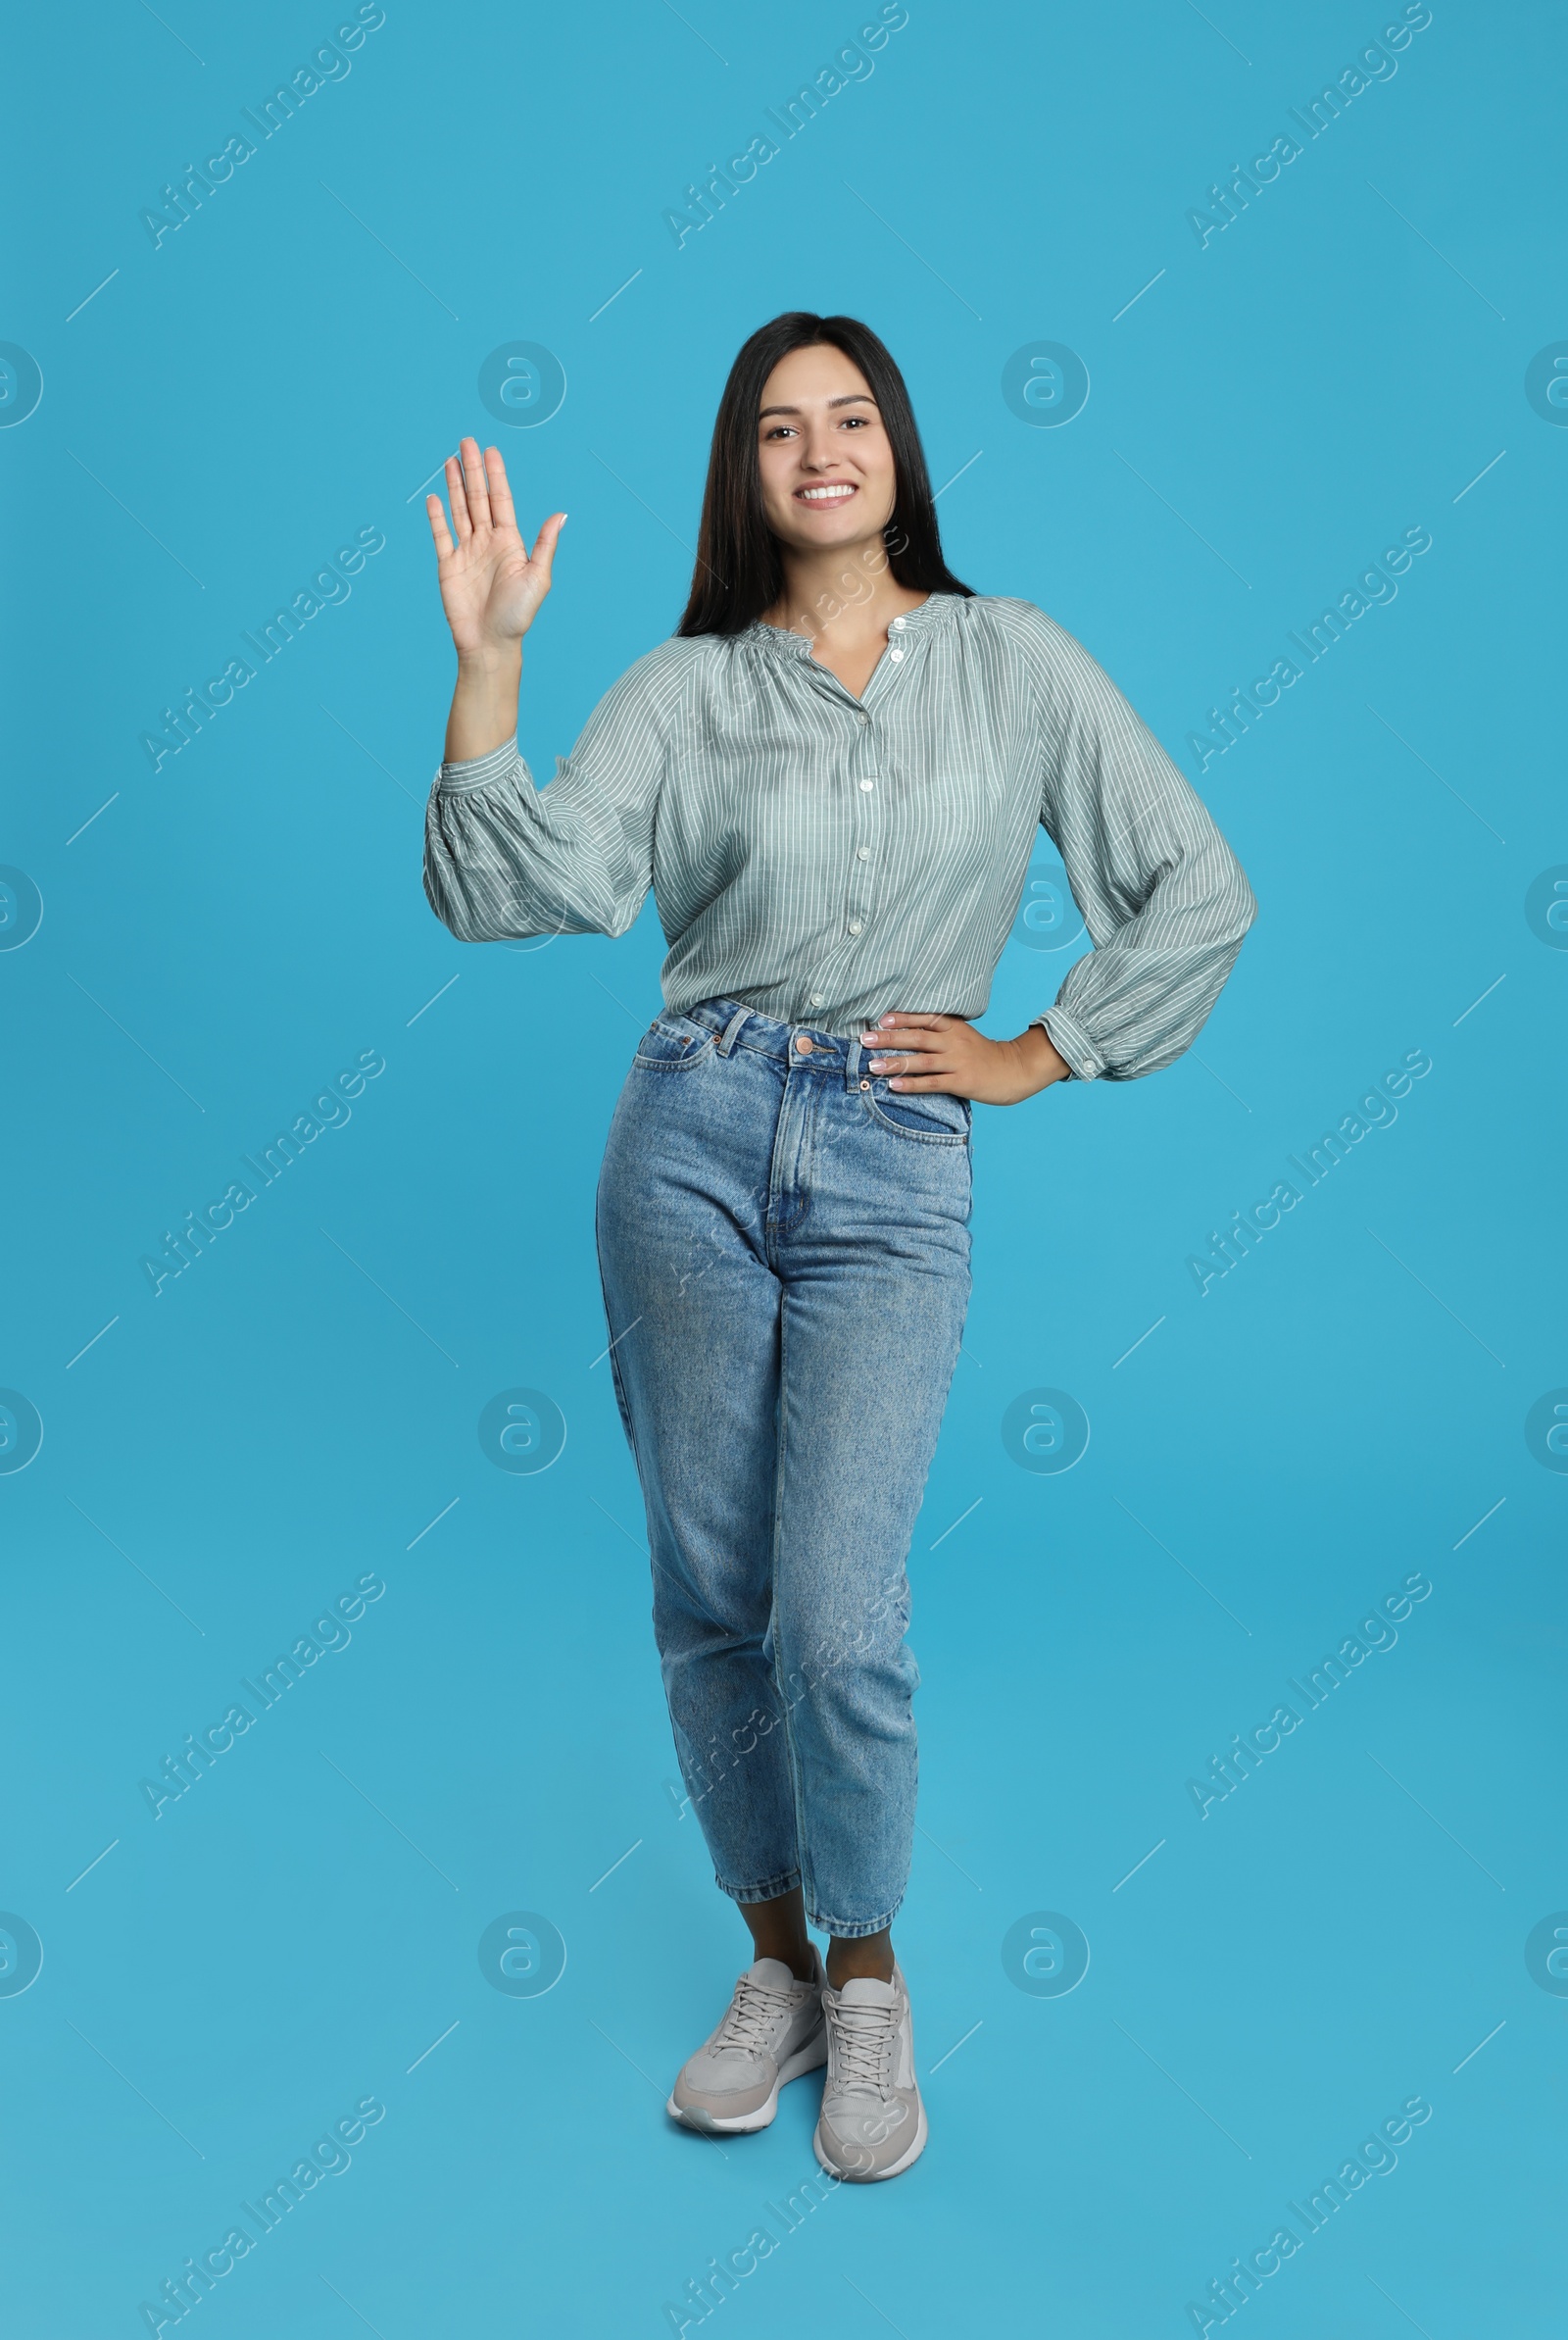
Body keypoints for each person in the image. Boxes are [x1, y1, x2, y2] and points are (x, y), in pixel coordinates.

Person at [421, 311, 1255, 2182]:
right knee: (712, 1595)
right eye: (781, 426)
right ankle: (774, 1968)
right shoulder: (688, 685)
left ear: (899, 449)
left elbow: (1198, 886)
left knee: (841, 1614)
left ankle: (871, 1985)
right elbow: (523, 886)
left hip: (893, 1162)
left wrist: (1046, 1050)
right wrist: (488, 673)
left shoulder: (1016, 663)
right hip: (693, 1141)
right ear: (744, 468)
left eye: (852, 416)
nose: (820, 449)